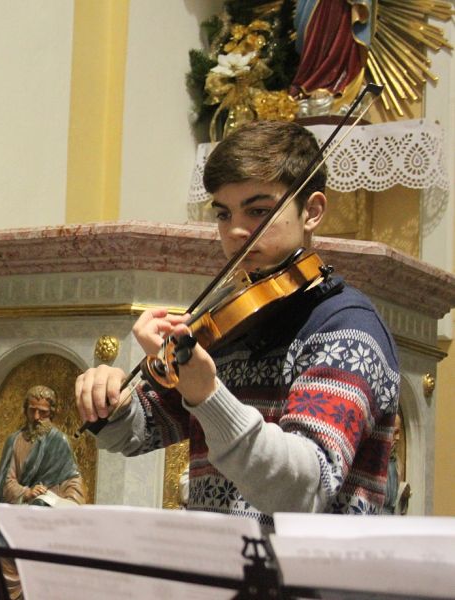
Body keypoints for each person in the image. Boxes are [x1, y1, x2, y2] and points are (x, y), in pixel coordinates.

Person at [75, 120, 399, 525]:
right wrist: (110, 400)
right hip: (219, 560)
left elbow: (300, 490)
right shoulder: (231, 319)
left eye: (259, 211)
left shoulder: (347, 328)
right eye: (223, 214)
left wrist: (208, 395)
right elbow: (140, 432)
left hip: (308, 565)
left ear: (312, 211)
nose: (236, 231)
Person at [0, 385, 85, 599]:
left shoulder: (59, 442)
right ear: (25, 410)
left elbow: (73, 480)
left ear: (52, 413)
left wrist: (62, 500)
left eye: (43, 412)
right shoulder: (15, 441)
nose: (37, 417)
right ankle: (9, 593)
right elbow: (7, 481)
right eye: (32, 410)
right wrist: (27, 492)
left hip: (48, 510)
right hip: (20, 507)